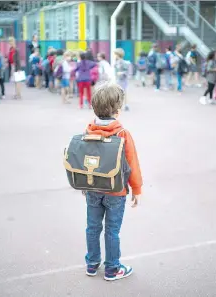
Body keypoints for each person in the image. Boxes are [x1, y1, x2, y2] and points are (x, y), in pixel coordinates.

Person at [83, 82, 142, 281]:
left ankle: (92, 264)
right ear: (117, 112)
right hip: (116, 191)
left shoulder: (89, 130)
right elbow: (132, 163)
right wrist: (137, 189)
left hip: (93, 187)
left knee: (92, 227)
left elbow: (85, 160)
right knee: (112, 230)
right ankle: (112, 269)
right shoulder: (122, 134)